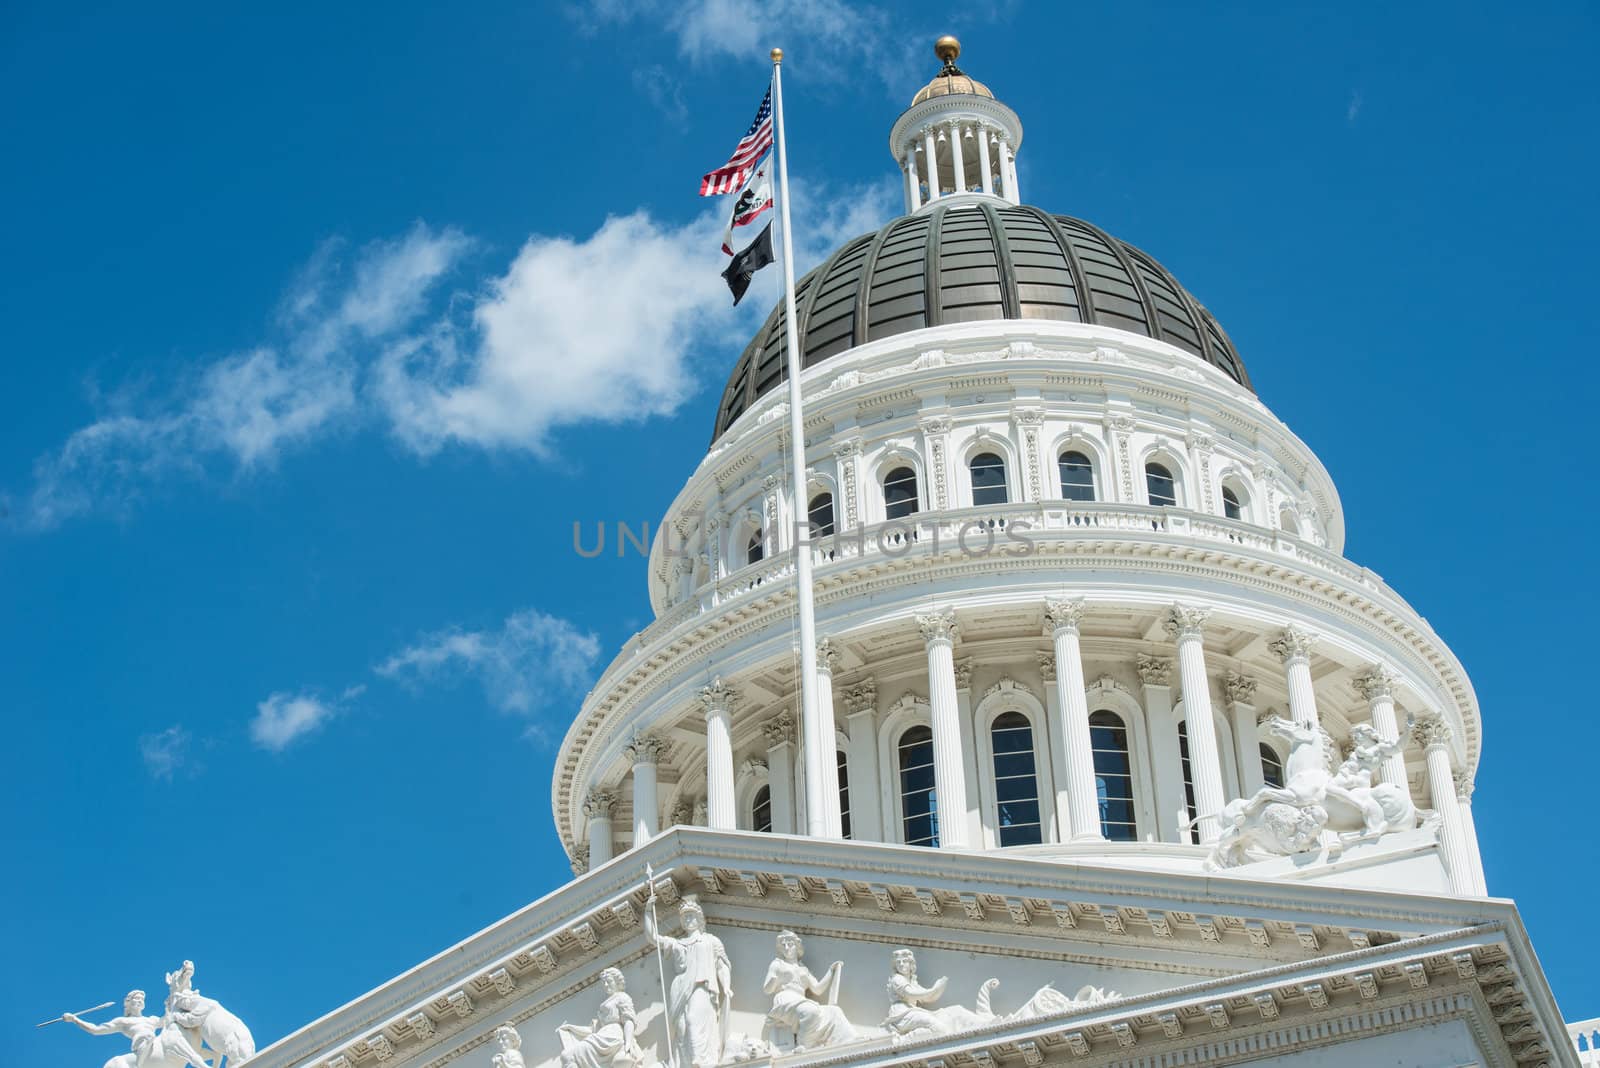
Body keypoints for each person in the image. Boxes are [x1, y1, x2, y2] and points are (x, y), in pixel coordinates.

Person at [642, 892, 732, 1067]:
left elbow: (722, 965)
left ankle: (699, 1059)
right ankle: (685, 1061)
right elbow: (653, 938)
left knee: (692, 1019)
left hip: (701, 987)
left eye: (691, 916)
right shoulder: (678, 944)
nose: (688, 920)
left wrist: (726, 987)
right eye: (685, 917)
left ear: (699, 919)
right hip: (680, 990)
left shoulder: (710, 941)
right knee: (682, 1028)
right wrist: (647, 912)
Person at [63, 990, 211, 1068]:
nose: (140, 1001)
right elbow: (96, 1030)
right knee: (147, 1037)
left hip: (156, 1042)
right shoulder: (123, 1021)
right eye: (136, 998)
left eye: (142, 999)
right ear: (128, 1003)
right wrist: (75, 1019)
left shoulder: (151, 1019)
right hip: (142, 1044)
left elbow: (169, 1018)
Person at [763, 930, 856, 1050]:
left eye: (790, 944)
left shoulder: (804, 969)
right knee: (810, 1011)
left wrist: (830, 971)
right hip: (785, 999)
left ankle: (849, 1040)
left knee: (834, 1011)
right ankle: (804, 1045)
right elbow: (767, 989)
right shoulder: (777, 964)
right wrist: (774, 978)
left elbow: (817, 989)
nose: (786, 948)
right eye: (783, 945)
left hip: (801, 1000)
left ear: (797, 947)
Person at [556, 968, 645, 1068]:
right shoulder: (604, 1005)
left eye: (609, 981)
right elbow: (592, 1030)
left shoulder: (622, 997)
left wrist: (628, 1044)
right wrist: (571, 1027)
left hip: (613, 1038)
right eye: (604, 983)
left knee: (568, 1055)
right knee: (567, 1055)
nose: (606, 985)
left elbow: (628, 1021)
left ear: (617, 981)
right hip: (599, 1037)